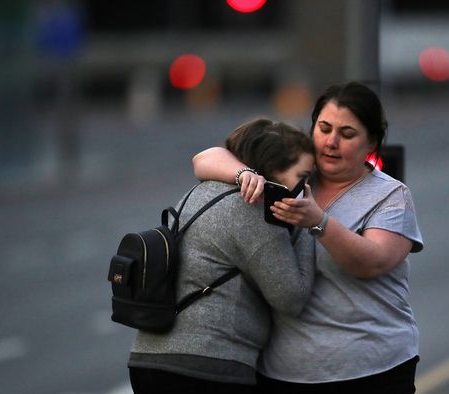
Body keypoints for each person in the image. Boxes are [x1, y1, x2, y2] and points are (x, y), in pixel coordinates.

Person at [192, 81, 425, 393]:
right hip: (282, 373)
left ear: (371, 144)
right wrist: (243, 174)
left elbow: (373, 261)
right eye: (324, 128)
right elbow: (205, 159)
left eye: (347, 134)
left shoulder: (391, 195)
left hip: (373, 369)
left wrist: (319, 222)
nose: (331, 142)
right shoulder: (292, 174)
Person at [128, 118, 316, 394]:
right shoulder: (254, 211)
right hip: (207, 367)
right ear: (273, 172)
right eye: (303, 177)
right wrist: (306, 224)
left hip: (147, 358)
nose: (306, 188)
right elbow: (291, 298)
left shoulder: (200, 191)